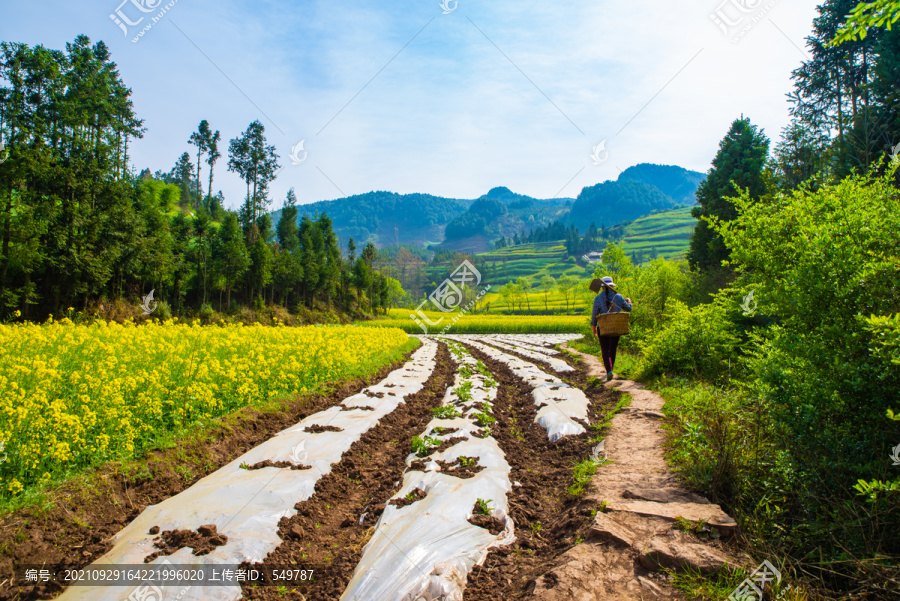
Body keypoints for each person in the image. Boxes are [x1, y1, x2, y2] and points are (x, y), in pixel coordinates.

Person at [590, 276, 632, 381]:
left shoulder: (598, 298)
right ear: (612, 285)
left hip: (603, 327)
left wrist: (594, 328)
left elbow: (595, 314)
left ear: (602, 287)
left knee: (605, 350)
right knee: (612, 349)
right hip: (615, 326)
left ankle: (609, 371)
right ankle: (611, 370)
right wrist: (628, 301)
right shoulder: (618, 297)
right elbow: (628, 309)